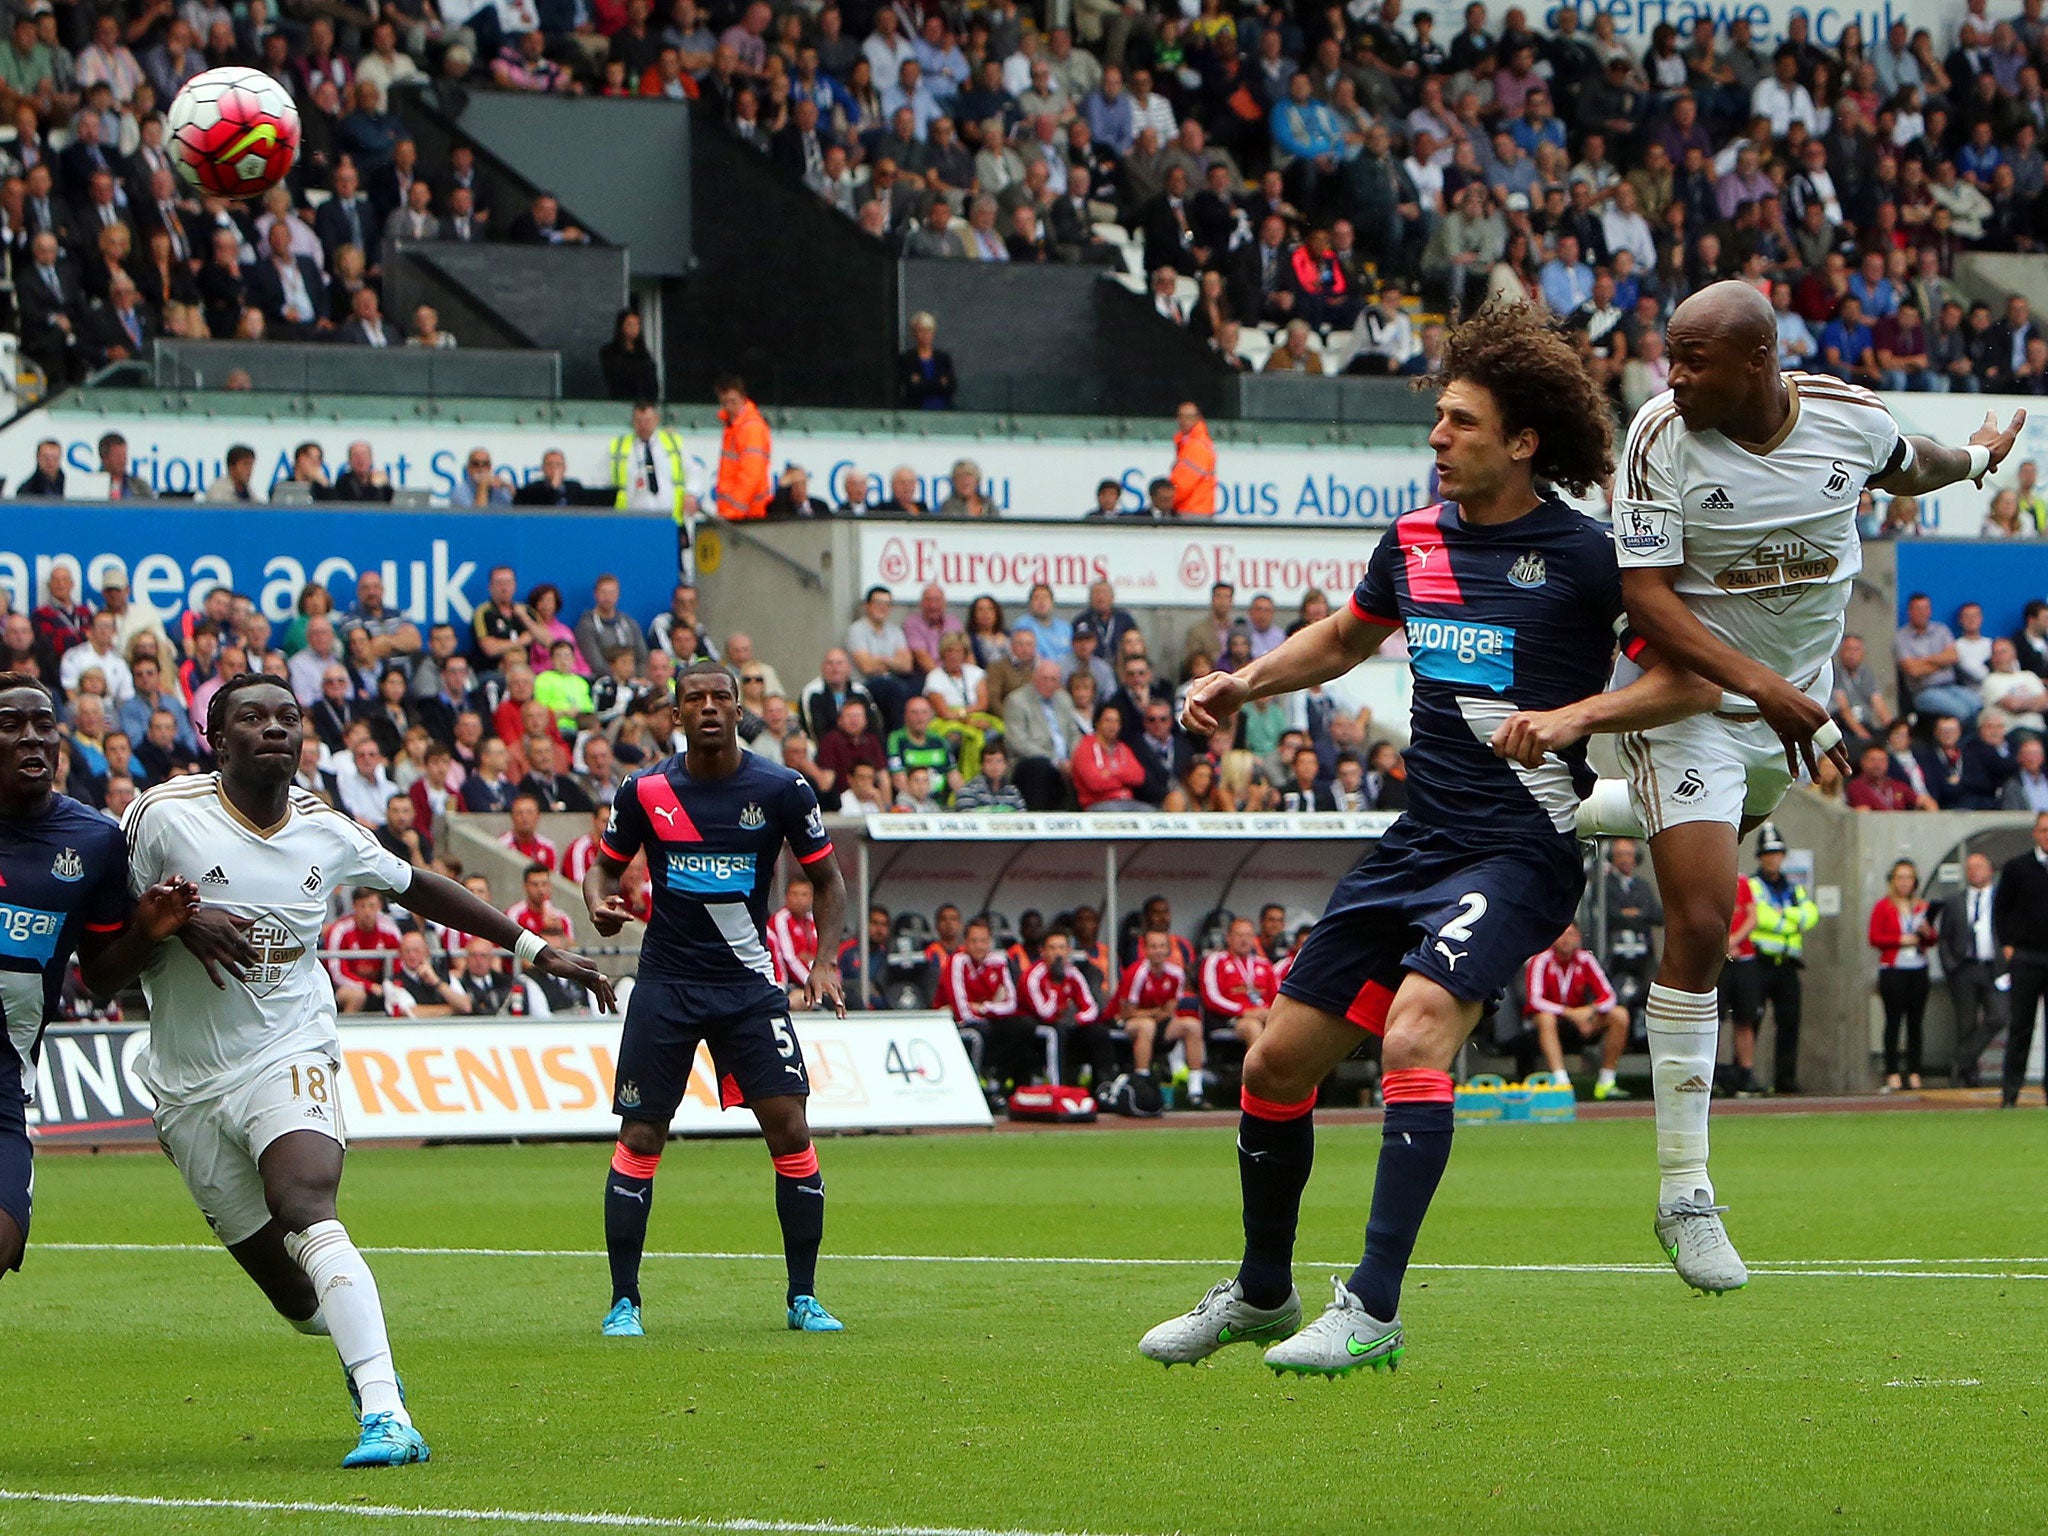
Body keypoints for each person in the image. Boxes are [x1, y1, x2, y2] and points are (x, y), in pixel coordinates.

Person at [1140, 302, 1712, 1375]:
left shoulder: (1588, 558)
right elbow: (1348, 635)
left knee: (1412, 1037)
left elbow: (1682, 673)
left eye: (1457, 420)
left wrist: (1575, 720)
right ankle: (1263, 1294)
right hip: (1415, 845)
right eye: (1437, 419)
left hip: (1517, 849)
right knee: (1273, 1063)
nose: (1436, 436)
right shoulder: (1410, 541)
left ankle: (1372, 1305)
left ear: (1521, 440)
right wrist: (1241, 680)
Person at [1564, 280, 2021, 1292]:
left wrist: (1983, 455)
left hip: (1788, 719)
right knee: (1701, 918)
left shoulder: (1847, 421)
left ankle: (1584, 811)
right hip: (1689, 701)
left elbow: (1923, 462)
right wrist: (1769, 690)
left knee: (1720, 842)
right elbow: (1641, 594)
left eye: (1692, 361)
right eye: (1667, 358)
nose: (1670, 377)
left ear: (1757, 362)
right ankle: (1684, 1193)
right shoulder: (1656, 436)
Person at [124, 674, 609, 1466]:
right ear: (215, 739)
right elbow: (105, 951)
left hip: (290, 1049)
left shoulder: (326, 829)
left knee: (308, 1205)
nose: (274, 728)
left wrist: (536, 950)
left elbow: (421, 888)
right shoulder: (160, 817)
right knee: (298, 1299)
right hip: (187, 1083)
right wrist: (168, 927)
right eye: (251, 717)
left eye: (289, 717)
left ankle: (386, 1412)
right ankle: (351, 1346)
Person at [580, 660, 848, 1337]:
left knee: (790, 1128)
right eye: (693, 698)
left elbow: (828, 882)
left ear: (738, 710)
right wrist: (598, 904)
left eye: (719, 697)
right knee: (641, 1133)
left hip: (748, 988)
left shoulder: (782, 787)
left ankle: (803, 1297)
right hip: (666, 985)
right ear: (674, 715)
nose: (707, 707)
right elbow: (603, 867)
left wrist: (823, 962)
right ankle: (623, 1302)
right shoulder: (644, 791)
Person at [0, 674, 197, 1280]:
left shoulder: (94, 841)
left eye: (44, 725)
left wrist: (145, 932)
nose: (33, 739)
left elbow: (103, 978)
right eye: (12, 725)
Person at [1521, 923, 1631, 1096]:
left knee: (1619, 1014)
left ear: (1578, 938)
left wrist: (1590, 1011)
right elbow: (1535, 1000)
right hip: (1551, 1021)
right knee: (1544, 1017)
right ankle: (1561, 1083)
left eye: (1571, 934)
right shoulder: (1540, 960)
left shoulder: (1586, 959)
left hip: (1582, 1020)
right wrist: (1569, 1013)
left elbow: (1609, 996)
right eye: (1561, 934)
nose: (1566, 939)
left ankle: (1606, 1081)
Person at [1938, 851, 2007, 1088]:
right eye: (1969, 867)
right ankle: (1968, 1074)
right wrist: (1950, 965)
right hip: (1964, 968)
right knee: (1965, 1023)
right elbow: (1944, 937)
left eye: (1979, 866)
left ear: (1990, 870)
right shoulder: (1954, 901)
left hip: (1994, 968)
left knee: (1998, 1016)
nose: (1974, 871)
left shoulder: (2002, 899)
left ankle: (1961, 1060)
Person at [1117, 928, 1208, 1107]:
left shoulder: (1176, 973)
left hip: (1161, 1023)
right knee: (1146, 1026)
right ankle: (1142, 1084)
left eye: (1162, 946)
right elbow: (1126, 1012)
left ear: (1168, 949)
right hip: (1131, 1025)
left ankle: (1195, 1090)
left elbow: (1171, 1009)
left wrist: (1159, 1013)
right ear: (1145, 950)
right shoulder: (1136, 973)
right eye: (1153, 947)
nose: (1158, 951)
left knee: (1192, 1025)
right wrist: (1154, 1013)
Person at [1869, 858, 1935, 1092]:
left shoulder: (1922, 907)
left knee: (1915, 1022)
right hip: (1893, 969)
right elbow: (1875, 937)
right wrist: (1900, 940)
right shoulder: (1884, 906)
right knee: (1893, 1021)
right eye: (1900, 877)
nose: (1905, 883)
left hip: (1918, 968)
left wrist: (1926, 933)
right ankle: (1892, 1071)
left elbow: (1932, 939)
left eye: (1909, 878)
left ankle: (1915, 1070)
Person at [1996, 813, 2048, 1108]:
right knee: (2021, 1028)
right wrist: (2007, 945)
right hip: (2026, 957)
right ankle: (2010, 1094)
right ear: (2035, 834)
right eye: (2043, 830)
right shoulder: (2018, 868)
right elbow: (2001, 910)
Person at [611, 400, 695, 574]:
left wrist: (692, 494)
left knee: (671, 571)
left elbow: (692, 471)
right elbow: (601, 483)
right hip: (633, 520)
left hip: (669, 520)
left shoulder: (673, 443)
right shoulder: (619, 447)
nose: (643, 426)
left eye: (647, 420)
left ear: (656, 420)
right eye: (638, 421)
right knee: (635, 568)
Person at [712, 374, 771, 521]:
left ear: (743, 398)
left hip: (747, 514)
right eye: (725, 402)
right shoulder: (733, 427)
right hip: (739, 512)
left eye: (733, 401)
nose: (729, 407)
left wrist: (733, 512)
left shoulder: (750, 428)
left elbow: (750, 475)